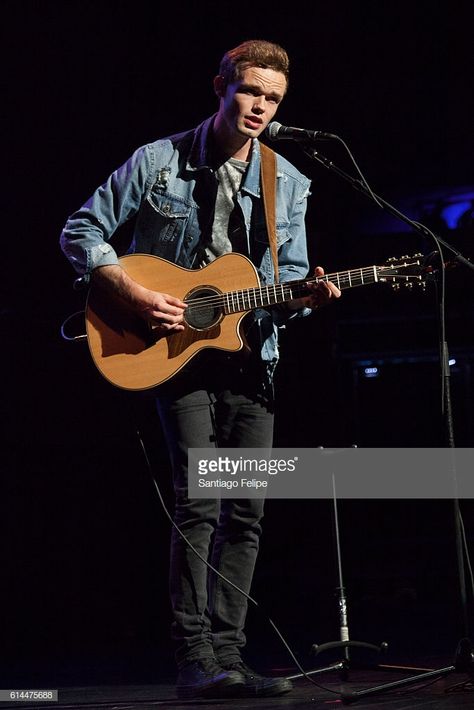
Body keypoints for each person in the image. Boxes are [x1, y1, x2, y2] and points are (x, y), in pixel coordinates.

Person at [60, 39, 341, 699]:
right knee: (202, 504)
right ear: (220, 86)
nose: (260, 107)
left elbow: (283, 287)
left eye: (272, 99)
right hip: (175, 356)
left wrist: (308, 298)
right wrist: (127, 290)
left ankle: (230, 660)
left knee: (247, 510)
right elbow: (81, 228)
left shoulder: (288, 181)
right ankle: (194, 660)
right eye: (250, 91)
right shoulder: (159, 162)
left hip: (252, 362)